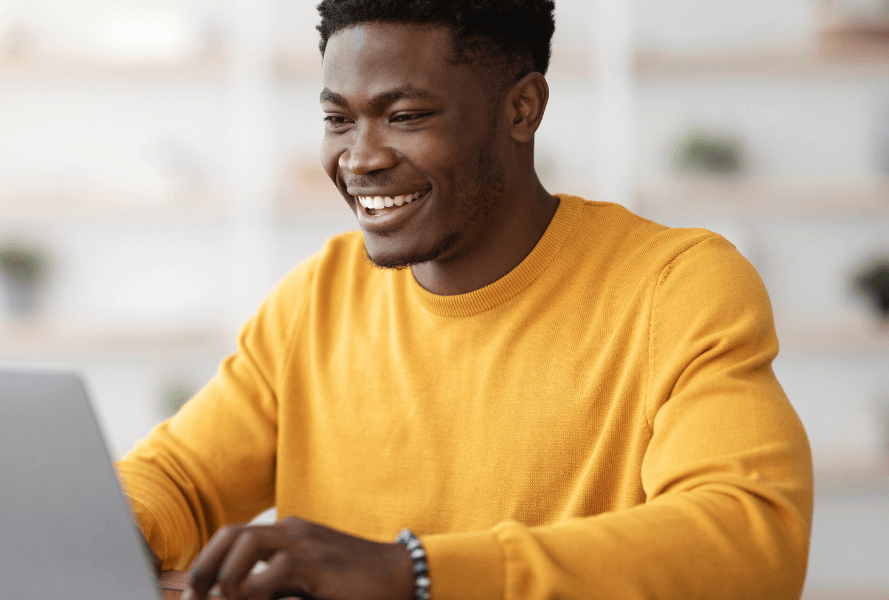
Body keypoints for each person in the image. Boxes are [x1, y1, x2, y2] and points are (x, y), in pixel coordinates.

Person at [117, 1, 813, 599]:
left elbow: (750, 539)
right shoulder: (316, 298)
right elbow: (177, 480)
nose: (360, 158)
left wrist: (413, 574)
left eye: (406, 115)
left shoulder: (675, 285)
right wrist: (111, 530)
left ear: (522, 108)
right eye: (338, 121)